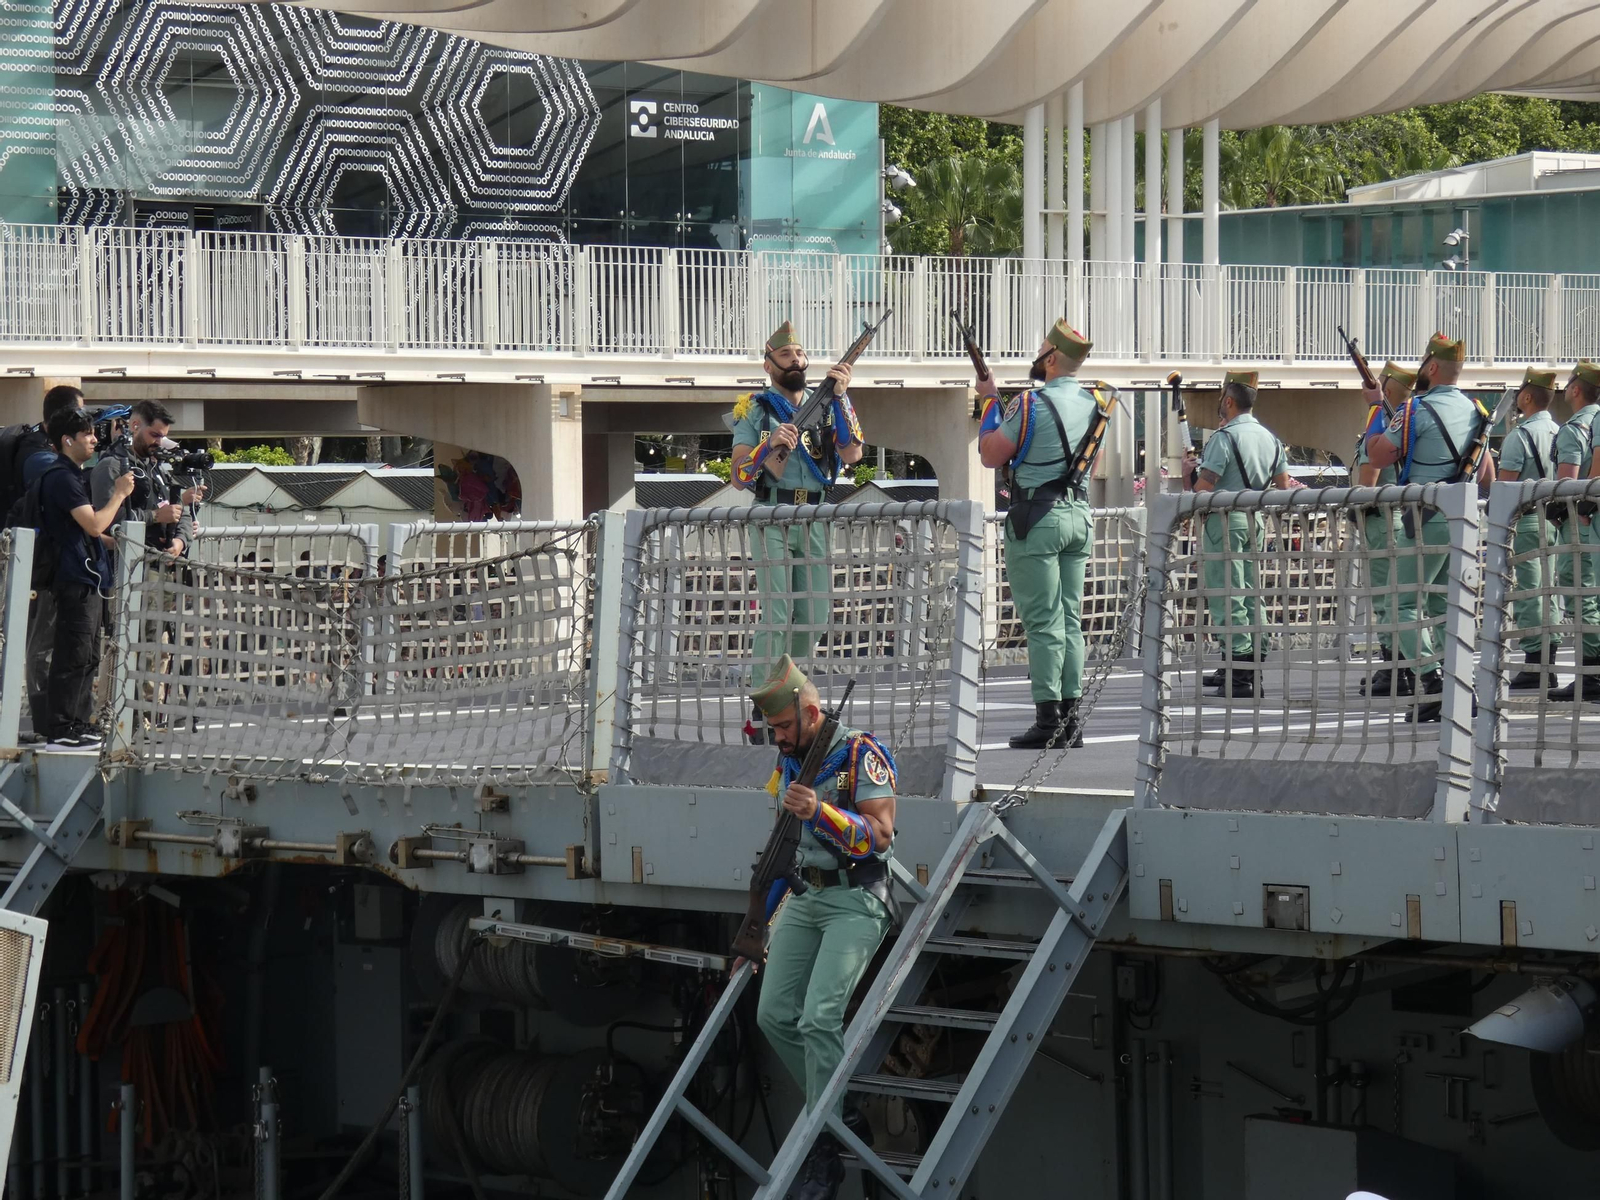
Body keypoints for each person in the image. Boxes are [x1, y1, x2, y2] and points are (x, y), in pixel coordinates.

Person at [750, 655, 895, 1200]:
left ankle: (825, 1142)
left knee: (819, 1018)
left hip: (856, 897)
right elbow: (780, 849)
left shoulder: (860, 752)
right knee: (772, 1014)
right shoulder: (788, 763)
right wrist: (754, 928)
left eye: (784, 727)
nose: (778, 738)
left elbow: (881, 836)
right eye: (773, 730)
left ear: (811, 713)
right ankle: (840, 1114)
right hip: (805, 895)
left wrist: (822, 813)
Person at [729, 322, 865, 741]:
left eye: (801, 355)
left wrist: (840, 398)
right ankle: (762, 709)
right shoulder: (756, 408)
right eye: (787, 356)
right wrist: (767, 447)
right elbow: (738, 474)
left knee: (814, 615)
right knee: (774, 615)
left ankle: (791, 701)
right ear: (768, 364)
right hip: (772, 510)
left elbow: (854, 452)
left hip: (816, 515)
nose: (797, 361)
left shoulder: (827, 404)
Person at [977, 319, 1105, 748]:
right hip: (1078, 515)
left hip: (1037, 517)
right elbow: (1091, 464)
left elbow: (991, 455)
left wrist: (989, 405)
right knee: (1071, 619)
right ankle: (1071, 719)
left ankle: (1048, 719)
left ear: (1050, 359)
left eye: (1041, 350)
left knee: (1043, 622)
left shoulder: (1029, 403)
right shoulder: (1094, 403)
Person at [1364, 333, 1495, 724]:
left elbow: (1377, 453)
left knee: (1401, 604)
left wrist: (1375, 411)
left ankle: (1433, 680)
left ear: (1433, 367)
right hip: (1467, 519)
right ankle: (1459, 684)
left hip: (1425, 516)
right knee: (1444, 606)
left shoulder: (1415, 407)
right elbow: (1486, 474)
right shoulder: (1478, 411)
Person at [1189, 370, 1292, 700]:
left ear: (1229, 401)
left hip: (1224, 520)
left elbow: (1203, 488)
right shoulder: (1270, 438)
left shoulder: (1224, 438)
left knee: (1227, 594)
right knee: (1252, 592)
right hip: (1256, 520)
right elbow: (1284, 486)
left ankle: (1239, 671)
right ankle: (1253, 663)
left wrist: (1188, 475)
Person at [37, 407, 134, 747]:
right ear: (68, 440)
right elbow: (93, 524)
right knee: (73, 654)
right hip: (74, 577)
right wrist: (120, 493)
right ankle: (61, 729)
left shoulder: (73, 474)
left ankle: (78, 723)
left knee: (89, 654)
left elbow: (90, 532)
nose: (95, 440)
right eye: (88, 435)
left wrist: (129, 540)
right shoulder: (61, 477)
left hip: (89, 574)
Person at [14, 385, 87, 743]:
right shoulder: (39, 457)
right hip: (36, 564)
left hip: (44, 563)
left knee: (53, 644)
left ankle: (59, 720)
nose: (91, 433)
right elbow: (72, 499)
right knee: (39, 645)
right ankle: (45, 723)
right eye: (82, 423)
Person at [1354, 362, 1416, 698]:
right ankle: (1404, 665)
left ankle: (1395, 668)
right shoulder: (1409, 423)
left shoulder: (1382, 426)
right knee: (1405, 596)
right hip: (1406, 519)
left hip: (1382, 521)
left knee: (1385, 597)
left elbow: (1368, 482)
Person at [1497, 368, 1562, 690]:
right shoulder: (1561, 431)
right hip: (1556, 521)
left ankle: (1535, 661)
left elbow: (1505, 487)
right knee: (1551, 592)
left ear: (1525, 397)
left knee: (1529, 592)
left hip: (1525, 521)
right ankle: (1549, 657)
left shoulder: (1520, 436)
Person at [89, 399, 205, 558]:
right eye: (154, 435)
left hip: (160, 564)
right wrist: (155, 516)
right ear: (135, 426)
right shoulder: (112, 466)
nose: (159, 442)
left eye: (163, 437)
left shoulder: (154, 467)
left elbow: (179, 512)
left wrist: (179, 542)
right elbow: (106, 521)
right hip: (126, 567)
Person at [1546, 360, 1600, 702]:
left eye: (1569, 385)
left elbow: (1569, 479)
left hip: (1580, 522)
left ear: (1577, 388)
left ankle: (1591, 673)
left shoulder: (1574, 428)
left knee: (1582, 595)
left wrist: (1572, 511)